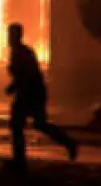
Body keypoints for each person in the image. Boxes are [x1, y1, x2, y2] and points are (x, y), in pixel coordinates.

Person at [5, 21, 78, 169]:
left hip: (31, 93)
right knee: (30, 124)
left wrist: (14, 87)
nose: (9, 38)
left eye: (11, 35)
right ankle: (68, 143)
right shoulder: (19, 52)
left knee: (22, 124)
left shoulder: (22, 52)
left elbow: (28, 75)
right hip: (30, 92)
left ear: (17, 36)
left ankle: (20, 160)